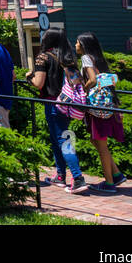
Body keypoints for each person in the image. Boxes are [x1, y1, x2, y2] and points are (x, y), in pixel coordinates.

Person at [30, 29, 86, 193]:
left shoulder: (43, 57)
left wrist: (29, 77)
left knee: (63, 141)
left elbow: (38, 83)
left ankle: (78, 178)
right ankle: (60, 176)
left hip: (53, 104)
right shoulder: (68, 59)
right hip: (67, 104)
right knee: (59, 140)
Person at [77, 31, 127, 194]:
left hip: (96, 105)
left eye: (78, 43)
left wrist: (82, 91)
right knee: (95, 140)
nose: (75, 45)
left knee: (101, 142)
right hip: (106, 104)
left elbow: (92, 79)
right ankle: (117, 174)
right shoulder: (98, 58)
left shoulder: (85, 58)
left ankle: (110, 183)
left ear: (84, 45)